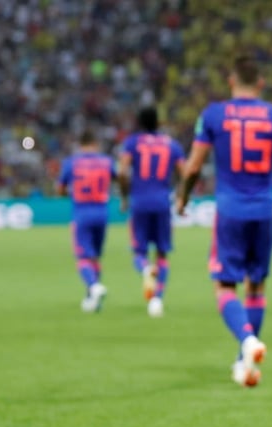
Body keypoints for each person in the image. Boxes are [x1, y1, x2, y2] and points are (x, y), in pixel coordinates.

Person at [176, 55, 272, 388]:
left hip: (230, 211)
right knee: (256, 285)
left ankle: (247, 341)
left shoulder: (213, 115)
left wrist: (182, 198)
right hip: (263, 211)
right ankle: (244, 362)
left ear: (231, 82)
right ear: (260, 84)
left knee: (224, 286)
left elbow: (193, 167)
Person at [117, 105, 186, 317]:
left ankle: (146, 269)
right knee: (162, 253)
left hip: (139, 202)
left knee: (139, 252)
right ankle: (157, 300)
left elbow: (122, 172)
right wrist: (181, 197)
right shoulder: (172, 144)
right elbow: (185, 173)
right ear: (158, 122)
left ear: (139, 122)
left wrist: (125, 196)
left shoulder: (132, 143)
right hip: (163, 203)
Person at [56, 130, 117, 313]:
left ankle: (93, 286)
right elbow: (120, 178)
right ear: (95, 143)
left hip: (82, 213)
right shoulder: (106, 161)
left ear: (80, 144)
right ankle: (92, 299)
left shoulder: (71, 162)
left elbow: (60, 189)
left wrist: (69, 193)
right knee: (95, 257)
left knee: (83, 257)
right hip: (102, 212)